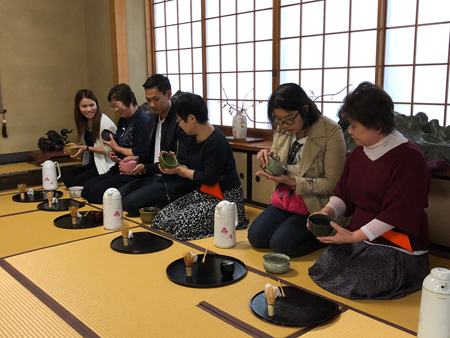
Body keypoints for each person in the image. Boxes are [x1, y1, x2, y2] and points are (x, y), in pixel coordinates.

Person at [308, 82, 430, 300]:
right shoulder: (358, 153)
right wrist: (326, 213)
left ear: (377, 125)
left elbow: (397, 213)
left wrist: (354, 236)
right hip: (359, 236)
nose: (350, 131)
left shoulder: (409, 158)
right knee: (324, 270)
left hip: (396, 241)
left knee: (359, 283)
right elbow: (343, 193)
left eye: (354, 126)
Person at [247, 83, 346, 257]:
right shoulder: (284, 129)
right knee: (255, 236)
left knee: (281, 244)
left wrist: (293, 182)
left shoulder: (331, 132)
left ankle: (326, 234)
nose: (284, 125)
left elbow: (333, 184)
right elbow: (277, 162)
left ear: (305, 110)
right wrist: (266, 158)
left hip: (314, 203)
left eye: (289, 119)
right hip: (287, 198)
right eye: (279, 120)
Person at [151, 93, 248, 240]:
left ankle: (235, 221)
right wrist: (176, 164)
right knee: (161, 219)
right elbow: (190, 167)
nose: (179, 125)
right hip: (202, 193)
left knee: (182, 228)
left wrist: (181, 170)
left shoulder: (216, 142)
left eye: (180, 121)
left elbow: (209, 178)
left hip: (223, 198)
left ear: (191, 118)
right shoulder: (191, 136)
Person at [118, 74, 195, 216]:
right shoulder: (152, 121)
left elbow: (180, 162)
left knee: (131, 204)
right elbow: (149, 155)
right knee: (119, 197)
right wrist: (136, 160)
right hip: (153, 175)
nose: (152, 104)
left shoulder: (180, 123)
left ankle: (176, 205)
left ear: (169, 95)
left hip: (172, 180)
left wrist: (146, 167)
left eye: (156, 99)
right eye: (148, 100)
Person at [81, 84, 150, 204]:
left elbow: (139, 152)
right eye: (113, 107)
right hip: (119, 167)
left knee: (96, 193)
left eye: (117, 106)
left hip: (134, 171)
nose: (116, 110)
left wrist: (116, 148)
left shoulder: (142, 121)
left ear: (129, 101)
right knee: (86, 189)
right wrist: (115, 153)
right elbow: (119, 145)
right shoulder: (123, 119)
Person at [64, 89, 117, 188]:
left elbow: (111, 150)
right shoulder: (85, 121)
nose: (88, 109)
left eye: (92, 105)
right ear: (78, 107)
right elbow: (88, 145)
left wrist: (87, 148)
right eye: (84, 106)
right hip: (94, 162)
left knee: (75, 182)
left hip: (106, 164)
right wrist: (76, 148)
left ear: (96, 104)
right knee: (68, 180)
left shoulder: (106, 123)